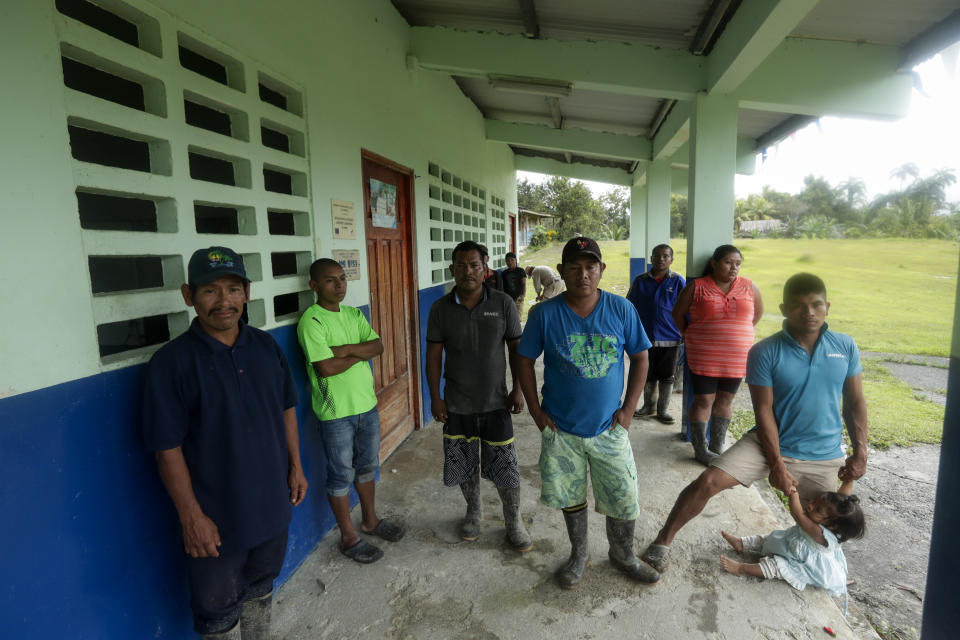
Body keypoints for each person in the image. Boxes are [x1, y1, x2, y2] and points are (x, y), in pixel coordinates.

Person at [642, 273, 868, 574]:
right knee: (707, 482)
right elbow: (763, 412)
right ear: (784, 308)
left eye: (816, 305)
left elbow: (855, 403)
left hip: (823, 454)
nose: (809, 312)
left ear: (827, 306)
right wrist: (776, 464)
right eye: (800, 306)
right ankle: (663, 541)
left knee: (831, 522)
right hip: (768, 443)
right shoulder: (765, 352)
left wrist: (860, 452)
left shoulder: (845, 346)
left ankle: (796, 558)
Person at [142, 246, 309, 640]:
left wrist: (296, 465)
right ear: (189, 295)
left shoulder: (266, 347)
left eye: (233, 289)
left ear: (246, 293)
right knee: (217, 613)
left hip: (271, 506)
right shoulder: (171, 363)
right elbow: (167, 447)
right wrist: (192, 519)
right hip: (215, 518)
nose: (224, 302)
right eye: (210, 291)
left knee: (262, 587)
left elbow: (286, 407)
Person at [517, 236, 659, 589]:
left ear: (601, 270)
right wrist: (535, 411)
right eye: (575, 268)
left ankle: (622, 553)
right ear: (562, 271)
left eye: (590, 267)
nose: (583, 274)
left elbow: (641, 357)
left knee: (623, 496)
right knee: (571, 494)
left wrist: (628, 410)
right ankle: (579, 553)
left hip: (609, 429)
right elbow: (523, 360)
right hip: (561, 429)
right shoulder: (544, 314)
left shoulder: (621, 309)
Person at [297, 258, 405, 565]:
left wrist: (344, 350)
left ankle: (370, 520)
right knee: (340, 474)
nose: (340, 284)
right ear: (314, 286)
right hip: (336, 413)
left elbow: (378, 347)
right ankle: (348, 537)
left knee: (367, 466)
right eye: (330, 281)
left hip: (366, 406)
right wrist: (359, 351)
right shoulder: (312, 322)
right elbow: (325, 368)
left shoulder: (354, 313)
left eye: (342, 278)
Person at [426, 241, 531, 550]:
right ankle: (474, 511)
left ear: (486, 270)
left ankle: (514, 520)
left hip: (496, 403)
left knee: (506, 466)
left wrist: (519, 389)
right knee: (464, 464)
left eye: (474, 265)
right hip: (457, 403)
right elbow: (433, 357)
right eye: (461, 265)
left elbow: (517, 351)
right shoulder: (440, 309)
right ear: (452, 270)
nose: (467, 271)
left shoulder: (503, 304)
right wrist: (435, 397)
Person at [672, 244, 763, 464]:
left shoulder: (750, 287)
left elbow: (756, 315)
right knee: (704, 400)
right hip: (704, 355)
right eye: (728, 262)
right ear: (714, 262)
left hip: (736, 357)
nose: (734, 268)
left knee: (725, 400)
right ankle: (701, 450)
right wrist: (689, 333)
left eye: (738, 264)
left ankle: (717, 446)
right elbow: (677, 314)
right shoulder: (697, 287)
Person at [719, 478, 864, 609]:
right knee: (767, 538)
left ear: (832, 526)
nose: (810, 506)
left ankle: (741, 568)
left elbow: (798, 516)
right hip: (793, 544)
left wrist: (794, 494)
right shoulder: (834, 517)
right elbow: (842, 502)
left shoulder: (821, 535)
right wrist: (848, 481)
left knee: (775, 567)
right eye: (814, 501)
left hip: (803, 562)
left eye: (818, 509)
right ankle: (741, 544)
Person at [625, 244, 685, 424]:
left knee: (667, 376)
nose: (661, 259)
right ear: (650, 259)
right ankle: (648, 406)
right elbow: (630, 307)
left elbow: (686, 309)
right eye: (657, 256)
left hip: (671, 338)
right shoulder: (640, 281)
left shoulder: (678, 281)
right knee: (647, 373)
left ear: (672, 260)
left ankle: (662, 410)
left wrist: (684, 331)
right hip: (645, 338)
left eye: (665, 256)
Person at [500, 251, 527, 317]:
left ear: (516, 260)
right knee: (509, 316)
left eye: (512, 260)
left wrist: (523, 295)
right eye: (508, 260)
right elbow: (503, 286)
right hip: (508, 298)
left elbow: (524, 284)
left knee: (518, 317)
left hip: (518, 298)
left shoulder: (520, 270)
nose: (510, 262)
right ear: (506, 262)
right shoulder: (504, 273)